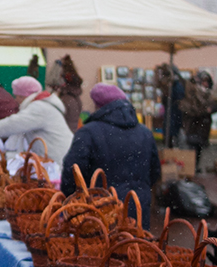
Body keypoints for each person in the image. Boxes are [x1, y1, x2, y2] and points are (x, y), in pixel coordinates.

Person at [61, 84, 160, 230]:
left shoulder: (88, 132)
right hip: (136, 205)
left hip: (100, 211)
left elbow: (73, 171)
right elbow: (155, 171)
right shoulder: (145, 132)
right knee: (135, 248)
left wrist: (71, 200)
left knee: (101, 249)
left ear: (98, 105)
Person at [0, 76, 73, 162]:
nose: (15, 100)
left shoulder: (40, 108)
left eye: (17, 96)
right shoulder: (42, 106)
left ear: (24, 96)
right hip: (60, 157)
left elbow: (14, 123)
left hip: (60, 159)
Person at [179, 71, 217, 173]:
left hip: (203, 126)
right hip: (193, 125)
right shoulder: (192, 92)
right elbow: (189, 108)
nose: (205, 84)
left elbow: (215, 105)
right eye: (204, 81)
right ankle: (190, 168)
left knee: (199, 148)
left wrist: (209, 109)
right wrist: (200, 111)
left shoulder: (209, 94)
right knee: (192, 147)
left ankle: (195, 167)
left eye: (207, 82)